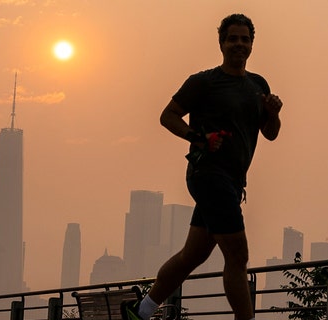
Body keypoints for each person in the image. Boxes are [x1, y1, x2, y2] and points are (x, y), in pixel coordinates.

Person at [120, 13, 283, 320]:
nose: (239, 44)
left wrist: (273, 114)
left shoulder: (258, 85)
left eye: (244, 39)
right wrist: (198, 137)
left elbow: (271, 134)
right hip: (208, 175)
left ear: (252, 45)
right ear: (221, 43)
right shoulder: (204, 82)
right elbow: (168, 115)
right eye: (232, 38)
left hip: (233, 183)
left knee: (192, 255)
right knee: (238, 254)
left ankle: (139, 311)